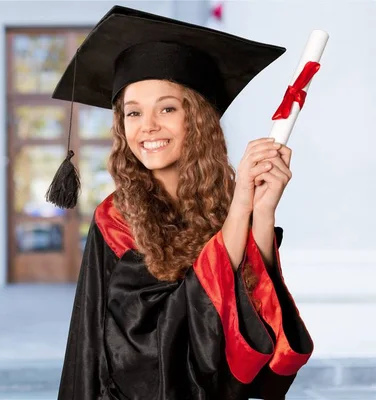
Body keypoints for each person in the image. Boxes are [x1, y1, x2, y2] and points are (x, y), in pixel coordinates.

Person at [47, 6, 313, 400]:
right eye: (133, 112)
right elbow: (144, 351)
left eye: (167, 108)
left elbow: (257, 324)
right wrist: (242, 209)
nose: (148, 126)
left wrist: (262, 213)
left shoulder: (227, 203)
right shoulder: (118, 218)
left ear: (198, 118)